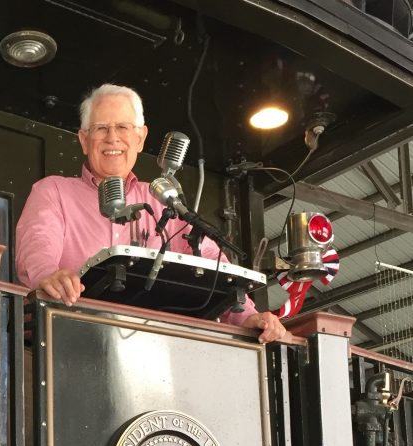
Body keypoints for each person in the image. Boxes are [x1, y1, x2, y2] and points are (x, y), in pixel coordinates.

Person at [15, 83, 286, 344]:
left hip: (158, 357)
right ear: (84, 140)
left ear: (140, 138)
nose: (113, 138)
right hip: (69, 341)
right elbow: (37, 246)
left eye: (122, 127)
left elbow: (214, 265)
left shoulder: (164, 199)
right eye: (101, 128)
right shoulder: (53, 191)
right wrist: (49, 276)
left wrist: (248, 317)